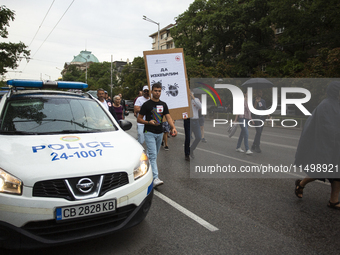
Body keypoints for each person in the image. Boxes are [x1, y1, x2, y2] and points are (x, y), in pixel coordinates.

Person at [294, 81, 340, 209]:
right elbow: (327, 127)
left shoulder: (335, 104)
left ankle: (333, 200)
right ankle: (301, 184)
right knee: (320, 171)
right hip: (327, 145)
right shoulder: (325, 105)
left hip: (336, 146)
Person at [137, 82, 177, 187]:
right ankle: (155, 178)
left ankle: (144, 168)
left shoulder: (163, 104)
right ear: (151, 91)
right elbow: (139, 119)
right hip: (149, 132)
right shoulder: (146, 105)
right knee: (153, 155)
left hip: (159, 133)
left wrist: (173, 127)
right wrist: (148, 122)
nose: (157, 93)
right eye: (155, 91)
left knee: (153, 155)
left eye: (159, 91)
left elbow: (168, 117)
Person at [190, 91, 202, 159]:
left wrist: (193, 98)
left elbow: (200, 106)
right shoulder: (186, 101)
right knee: (188, 138)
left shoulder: (196, 100)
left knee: (198, 137)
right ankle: (187, 153)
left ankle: (191, 149)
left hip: (196, 121)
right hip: (189, 121)